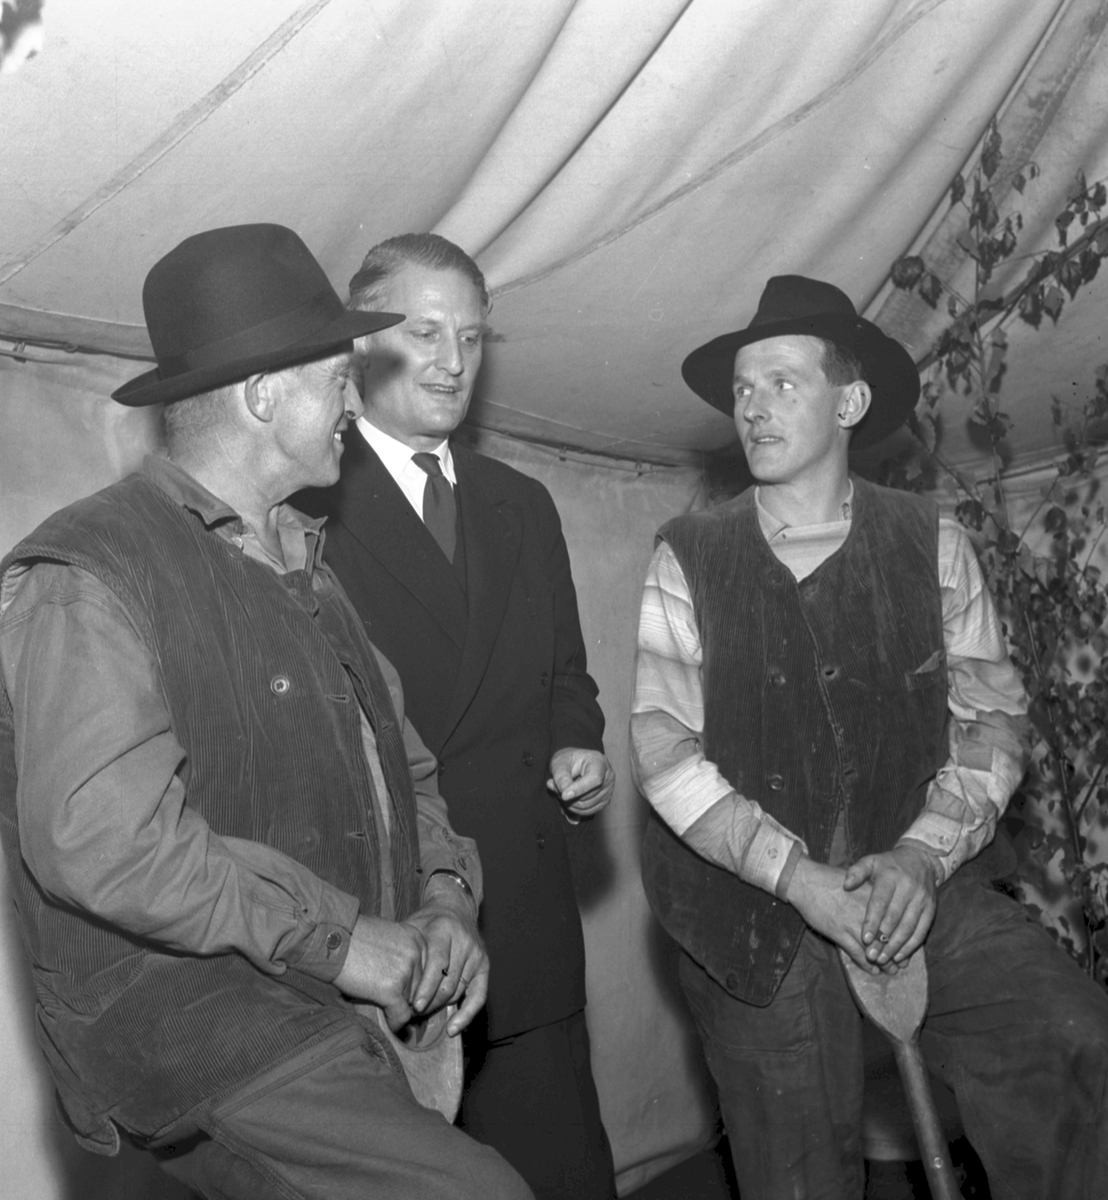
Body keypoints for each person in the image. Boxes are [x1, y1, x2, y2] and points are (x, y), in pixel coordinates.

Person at [0, 224, 532, 1200]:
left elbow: (407, 773)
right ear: (261, 395)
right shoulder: (88, 572)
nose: (354, 402)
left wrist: (446, 897)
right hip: (204, 1030)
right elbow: (106, 845)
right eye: (337, 380)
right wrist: (346, 940)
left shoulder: (307, 566)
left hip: (325, 1017)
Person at [631, 274, 1108, 1199]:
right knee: (800, 1166)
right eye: (742, 389)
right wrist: (802, 881)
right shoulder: (687, 554)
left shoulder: (936, 543)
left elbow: (991, 722)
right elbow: (663, 752)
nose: (752, 408)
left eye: (781, 383)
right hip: (757, 909)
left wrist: (922, 861)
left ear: (848, 403)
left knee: (1077, 1046)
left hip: (918, 877)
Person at [299, 233, 616, 1199]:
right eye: (425, 332)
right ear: (362, 344)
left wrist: (577, 743)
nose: (452, 362)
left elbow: (566, 674)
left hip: (526, 917)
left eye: (471, 338)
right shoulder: (307, 503)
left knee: (563, 1172)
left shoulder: (524, 503)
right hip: (397, 923)